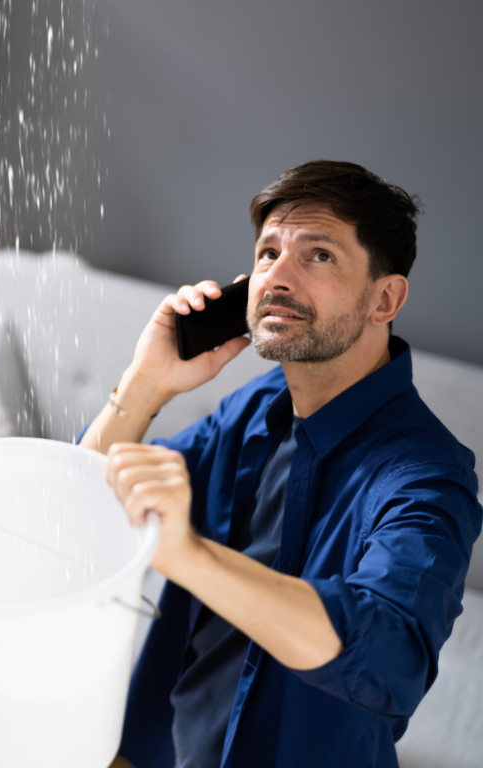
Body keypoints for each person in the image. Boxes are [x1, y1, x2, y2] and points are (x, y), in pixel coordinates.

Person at [81, 161, 482, 768]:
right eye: (268, 253)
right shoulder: (253, 408)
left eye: (318, 255)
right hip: (156, 748)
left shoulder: (427, 475)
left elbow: (389, 657)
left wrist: (189, 554)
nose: (278, 277)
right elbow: (82, 502)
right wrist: (147, 383)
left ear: (384, 298)